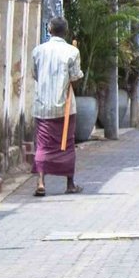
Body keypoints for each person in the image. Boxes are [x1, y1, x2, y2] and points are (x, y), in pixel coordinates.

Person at [30, 16, 84, 197]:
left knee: (43, 145)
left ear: (50, 30)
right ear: (66, 32)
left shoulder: (38, 51)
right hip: (65, 107)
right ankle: (70, 183)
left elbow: (35, 74)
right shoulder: (72, 52)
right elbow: (75, 77)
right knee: (67, 144)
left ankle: (40, 182)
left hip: (42, 106)